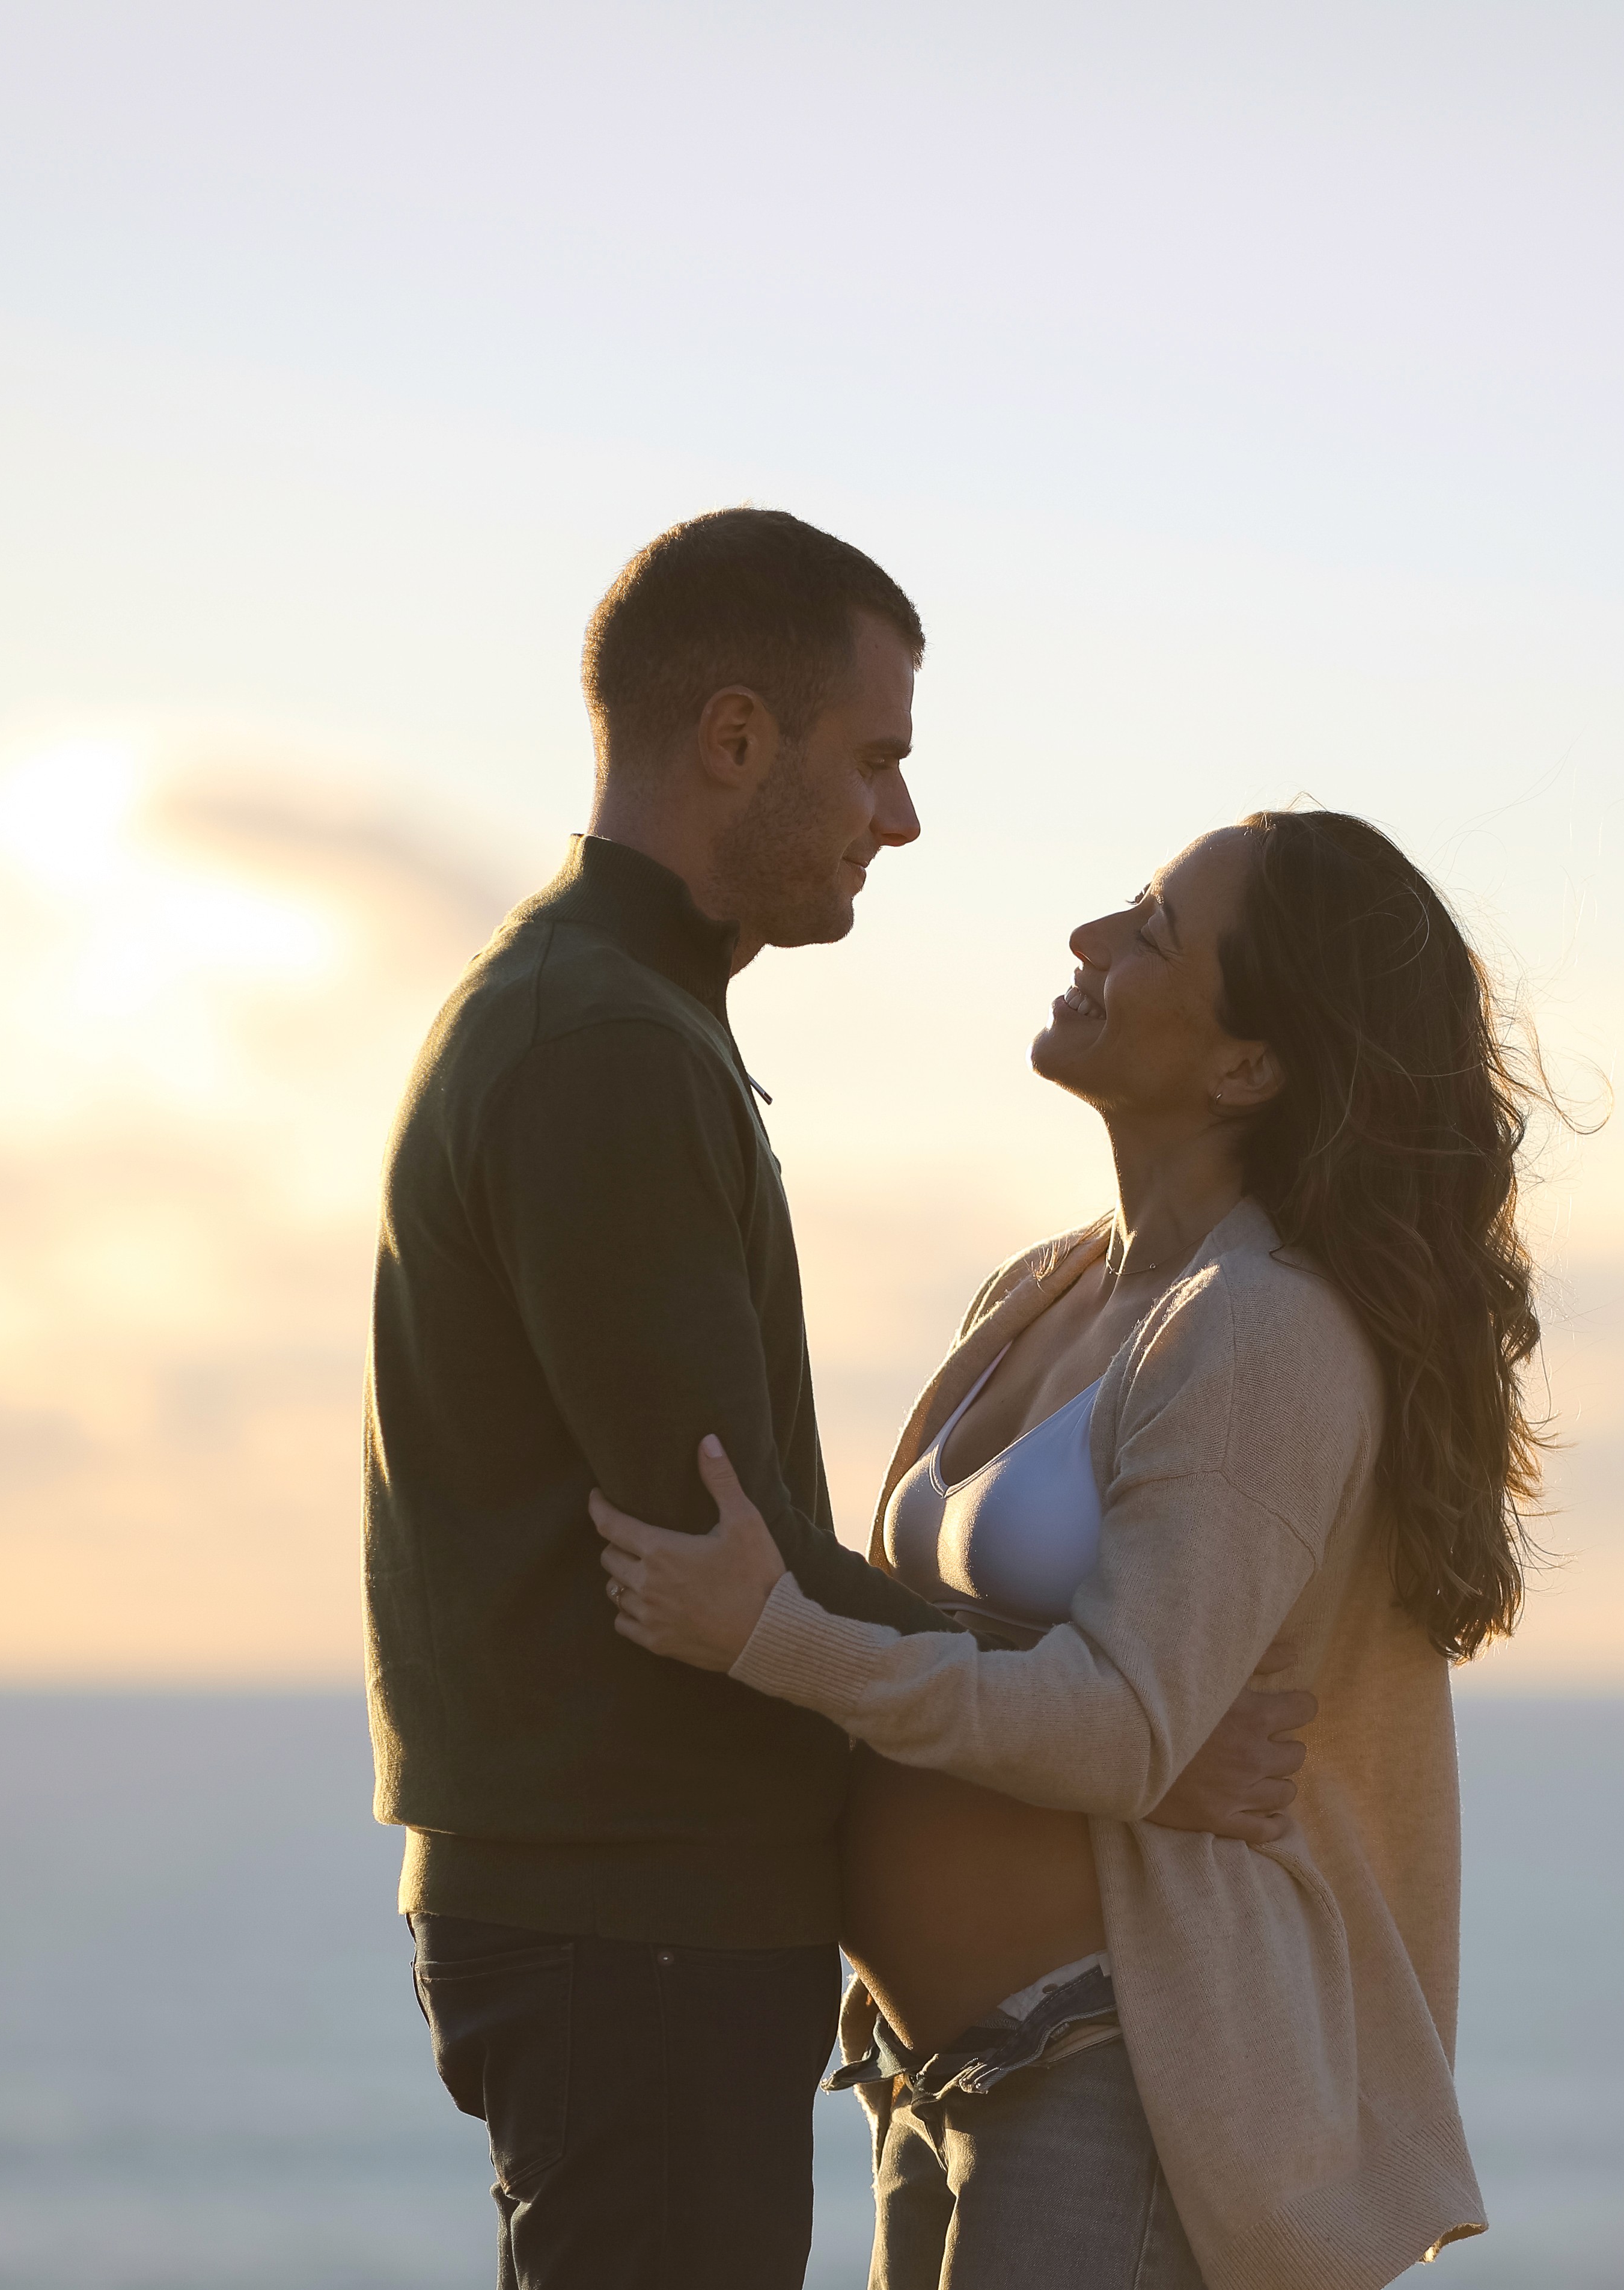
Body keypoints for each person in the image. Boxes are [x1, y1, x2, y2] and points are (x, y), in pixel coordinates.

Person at [362, 508, 1313, 2290]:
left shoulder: (621, 1012)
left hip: (628, 1919)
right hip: (631, 1920)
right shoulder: (604, 1044)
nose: (901, 815)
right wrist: (1124, 1731)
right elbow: (735, 1560)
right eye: (873, 759)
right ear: (734, 740)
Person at [596, 808, 1548, 2289]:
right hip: (935, 2078)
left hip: (1118, 2084)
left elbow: (1115, 1729)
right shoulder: (1044, 1290)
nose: (1089, 944)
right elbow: (1048, 1683)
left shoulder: (1259, 1333)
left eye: (1152, 932)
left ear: (1249, 1064)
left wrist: (770, 1634)